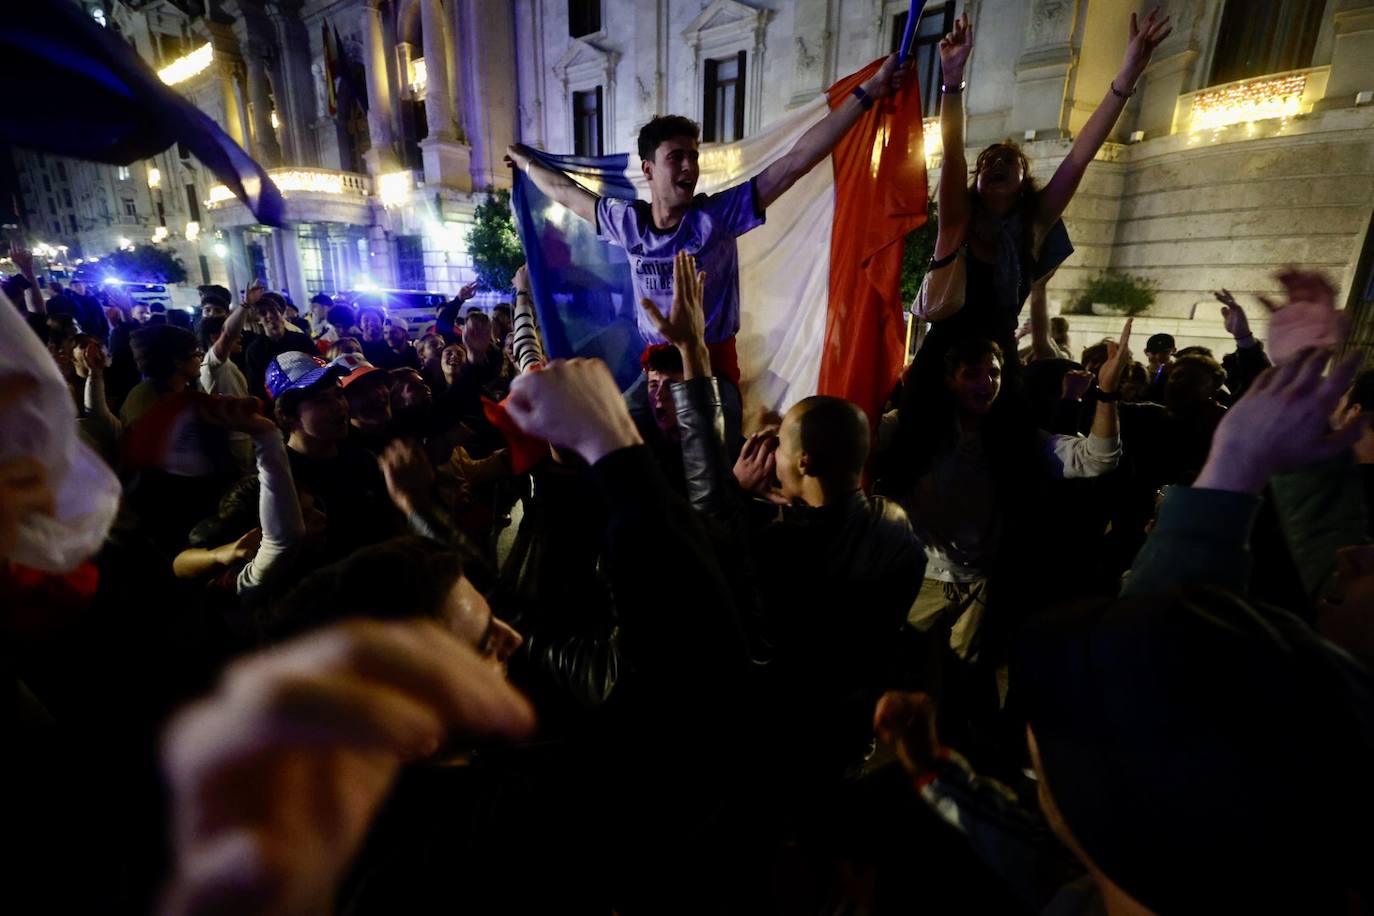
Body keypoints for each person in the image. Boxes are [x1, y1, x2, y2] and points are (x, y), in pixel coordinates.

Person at [505, 50, 909, 386]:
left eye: (693, 156)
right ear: (648, 170)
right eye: (675, 157)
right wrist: (525, 163)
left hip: (711, 367)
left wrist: (869, 93)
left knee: (715, 463)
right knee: (610, 446)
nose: (689, 167)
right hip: (656, 371)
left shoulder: (716, 217)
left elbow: (794, 163)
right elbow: (564, 192)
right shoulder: (625, 223)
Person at [918, 8, 1171, 387]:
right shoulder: (958, 220)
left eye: (1008, 160)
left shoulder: (1033, 226)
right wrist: (951, 79)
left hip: (995, 370)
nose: (995, 163)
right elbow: (953, 151)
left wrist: (1129, 73)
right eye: (987, 162)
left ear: (1025, 182)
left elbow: (1080, 155)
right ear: (977, 180)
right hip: (942, 365)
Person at [120, 324, 203, 428]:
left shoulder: (182, 390)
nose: (201, 358)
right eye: (196, 354)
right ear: (178, 361)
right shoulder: (145, 400)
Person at [245, 291, 316, 401]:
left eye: (273, 311)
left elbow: (318, 364)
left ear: (281, 313)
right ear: (258, 320)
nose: (270, 316)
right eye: (263, 313)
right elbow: (255, 386)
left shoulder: (302, 339)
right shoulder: (255, 350)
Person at [1141, 330, 1175, 401]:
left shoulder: (1177, 375)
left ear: (1174, 351)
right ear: (1145, 352)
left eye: (1164, 352)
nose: (1158, 357)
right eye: (1154, 352)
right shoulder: (1139, 373)